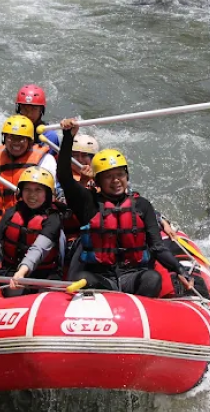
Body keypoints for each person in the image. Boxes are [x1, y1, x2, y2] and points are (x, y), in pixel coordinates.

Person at [56, 119, 193, 298]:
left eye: (120, 175)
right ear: (97, 181)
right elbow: (65, 177)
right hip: (102, 278)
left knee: (153, 278)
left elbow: (157, 247)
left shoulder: (142, 205)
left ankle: (139, 309)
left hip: (133, 275)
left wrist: (179, 269)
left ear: (127, 176)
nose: (116, 181)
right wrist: (68, 136)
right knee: (82, 278)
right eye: (108, 177)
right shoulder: (88, 203)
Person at [0, 167, 63, 297]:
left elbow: (39, 249)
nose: (32, 195)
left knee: (46, 297)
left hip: (44, 275)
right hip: (12, 272)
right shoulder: (12, 212)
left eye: (38, 190)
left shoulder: (53, 218)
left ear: (47, 193)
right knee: (13, 291)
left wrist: (22, 271)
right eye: (27, 189)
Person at [15, 84, 60, 151]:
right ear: (19, 109)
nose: (29, 114)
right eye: (25, 109)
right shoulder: (13, 130)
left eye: (34, 109)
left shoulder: (49, 136)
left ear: (41, 110)